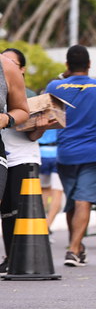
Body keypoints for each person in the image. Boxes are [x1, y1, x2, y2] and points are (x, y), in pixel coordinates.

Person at [44, 45, 96, 267]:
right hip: (94, 153)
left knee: (73, 202)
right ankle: (73, 249)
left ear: (67, 65)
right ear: (89, 65)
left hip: (66, 153)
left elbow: (46, 115)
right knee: (84, 201)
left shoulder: (54, 86)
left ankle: (76, 246)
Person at [0, 48, 43, 274]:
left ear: (21, 68)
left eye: (13, 62)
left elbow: (32, 130)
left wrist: (42, 124)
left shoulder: (29, 93)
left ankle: (24, 260)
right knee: (7, 213)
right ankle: (11, 258)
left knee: (20, 210)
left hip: (21, 157)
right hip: (7, 155)